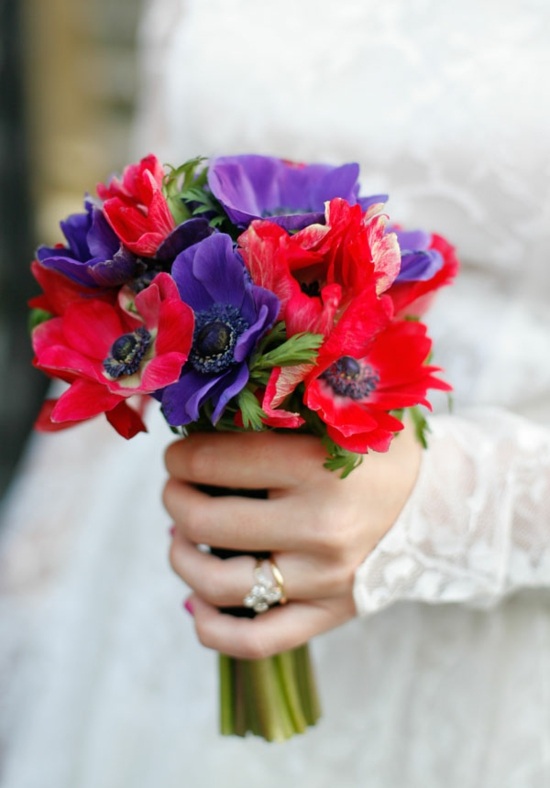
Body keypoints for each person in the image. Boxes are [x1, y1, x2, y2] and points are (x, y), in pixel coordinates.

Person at [1, 1, 549, 786]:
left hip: (477, 667)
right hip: (158, 588)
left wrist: (442, 506)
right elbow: (143, 237)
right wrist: (29, 598)